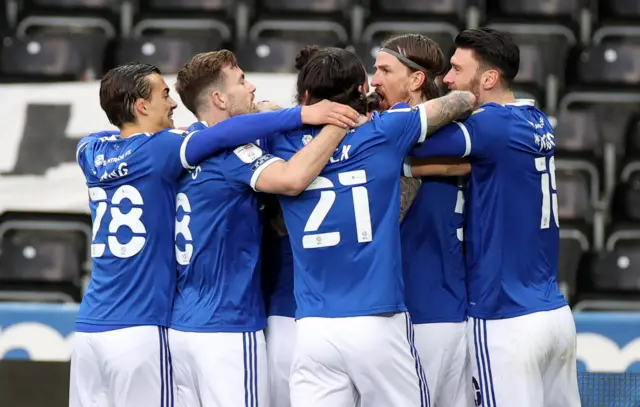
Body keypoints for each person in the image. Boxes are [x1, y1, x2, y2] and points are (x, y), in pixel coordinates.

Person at [70, 62, 358, 407]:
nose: (173, 103)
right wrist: (308, 115)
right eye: (164, 95)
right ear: (142, 106)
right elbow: (256, 157)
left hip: (101, 326)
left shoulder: (91, 149)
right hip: (174, 326)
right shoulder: (168, 149)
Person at [269, 46, 477, 407]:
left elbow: (252, 116)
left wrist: (298, 115)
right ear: (363, 87)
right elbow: (462, 99)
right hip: (377, 321)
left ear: (305, 97)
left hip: (313, 327)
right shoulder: (387, 132)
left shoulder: (281, 145)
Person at [168, 50, 364, 407]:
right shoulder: (231, 155)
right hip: (226, 325)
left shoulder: (179, 145)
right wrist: (338, 123)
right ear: (219, 99)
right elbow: (292, 179)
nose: (252, 86)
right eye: (241, 81)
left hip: (180, 328)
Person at [408, 27, 581, 407]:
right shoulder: (534, 119)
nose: (446, 79)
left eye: (456, 69)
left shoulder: (489, 125)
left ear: (488, 78)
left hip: (505, 318)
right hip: (553, 314)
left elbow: (409, 139)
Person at [371, 33, 472, 407]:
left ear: (415, 80)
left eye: (384, 70)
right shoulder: (465, 136)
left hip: (420, 317)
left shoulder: (391, 134)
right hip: (444, 313)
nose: (374, 80)